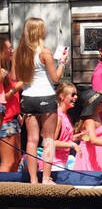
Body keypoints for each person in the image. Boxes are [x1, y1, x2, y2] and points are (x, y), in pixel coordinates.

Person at [14, 18, 65, 184]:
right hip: (46, 96)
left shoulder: (18, 53)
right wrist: (63, 63)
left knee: (31, 140)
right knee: (48, 138)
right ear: (39, 32)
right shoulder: (45, 52)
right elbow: (56, 78)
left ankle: (33, 179)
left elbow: (15, 78)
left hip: (28, 97)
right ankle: (46, 177)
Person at [72, 90, 102, 171]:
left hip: (99, 154)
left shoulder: (97, 116)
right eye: (100, 102)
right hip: (90, 155)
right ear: (93, 106)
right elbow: (93, 140)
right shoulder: (90, 121)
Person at [0, 36, 21, 172]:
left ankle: (11, 191)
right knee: (8, 162)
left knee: (16, 160)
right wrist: (16, 88)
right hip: (6, 121)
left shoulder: (5, 70)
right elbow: (2, 98)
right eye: (9, 48)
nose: (12, 51)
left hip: (13, 119)